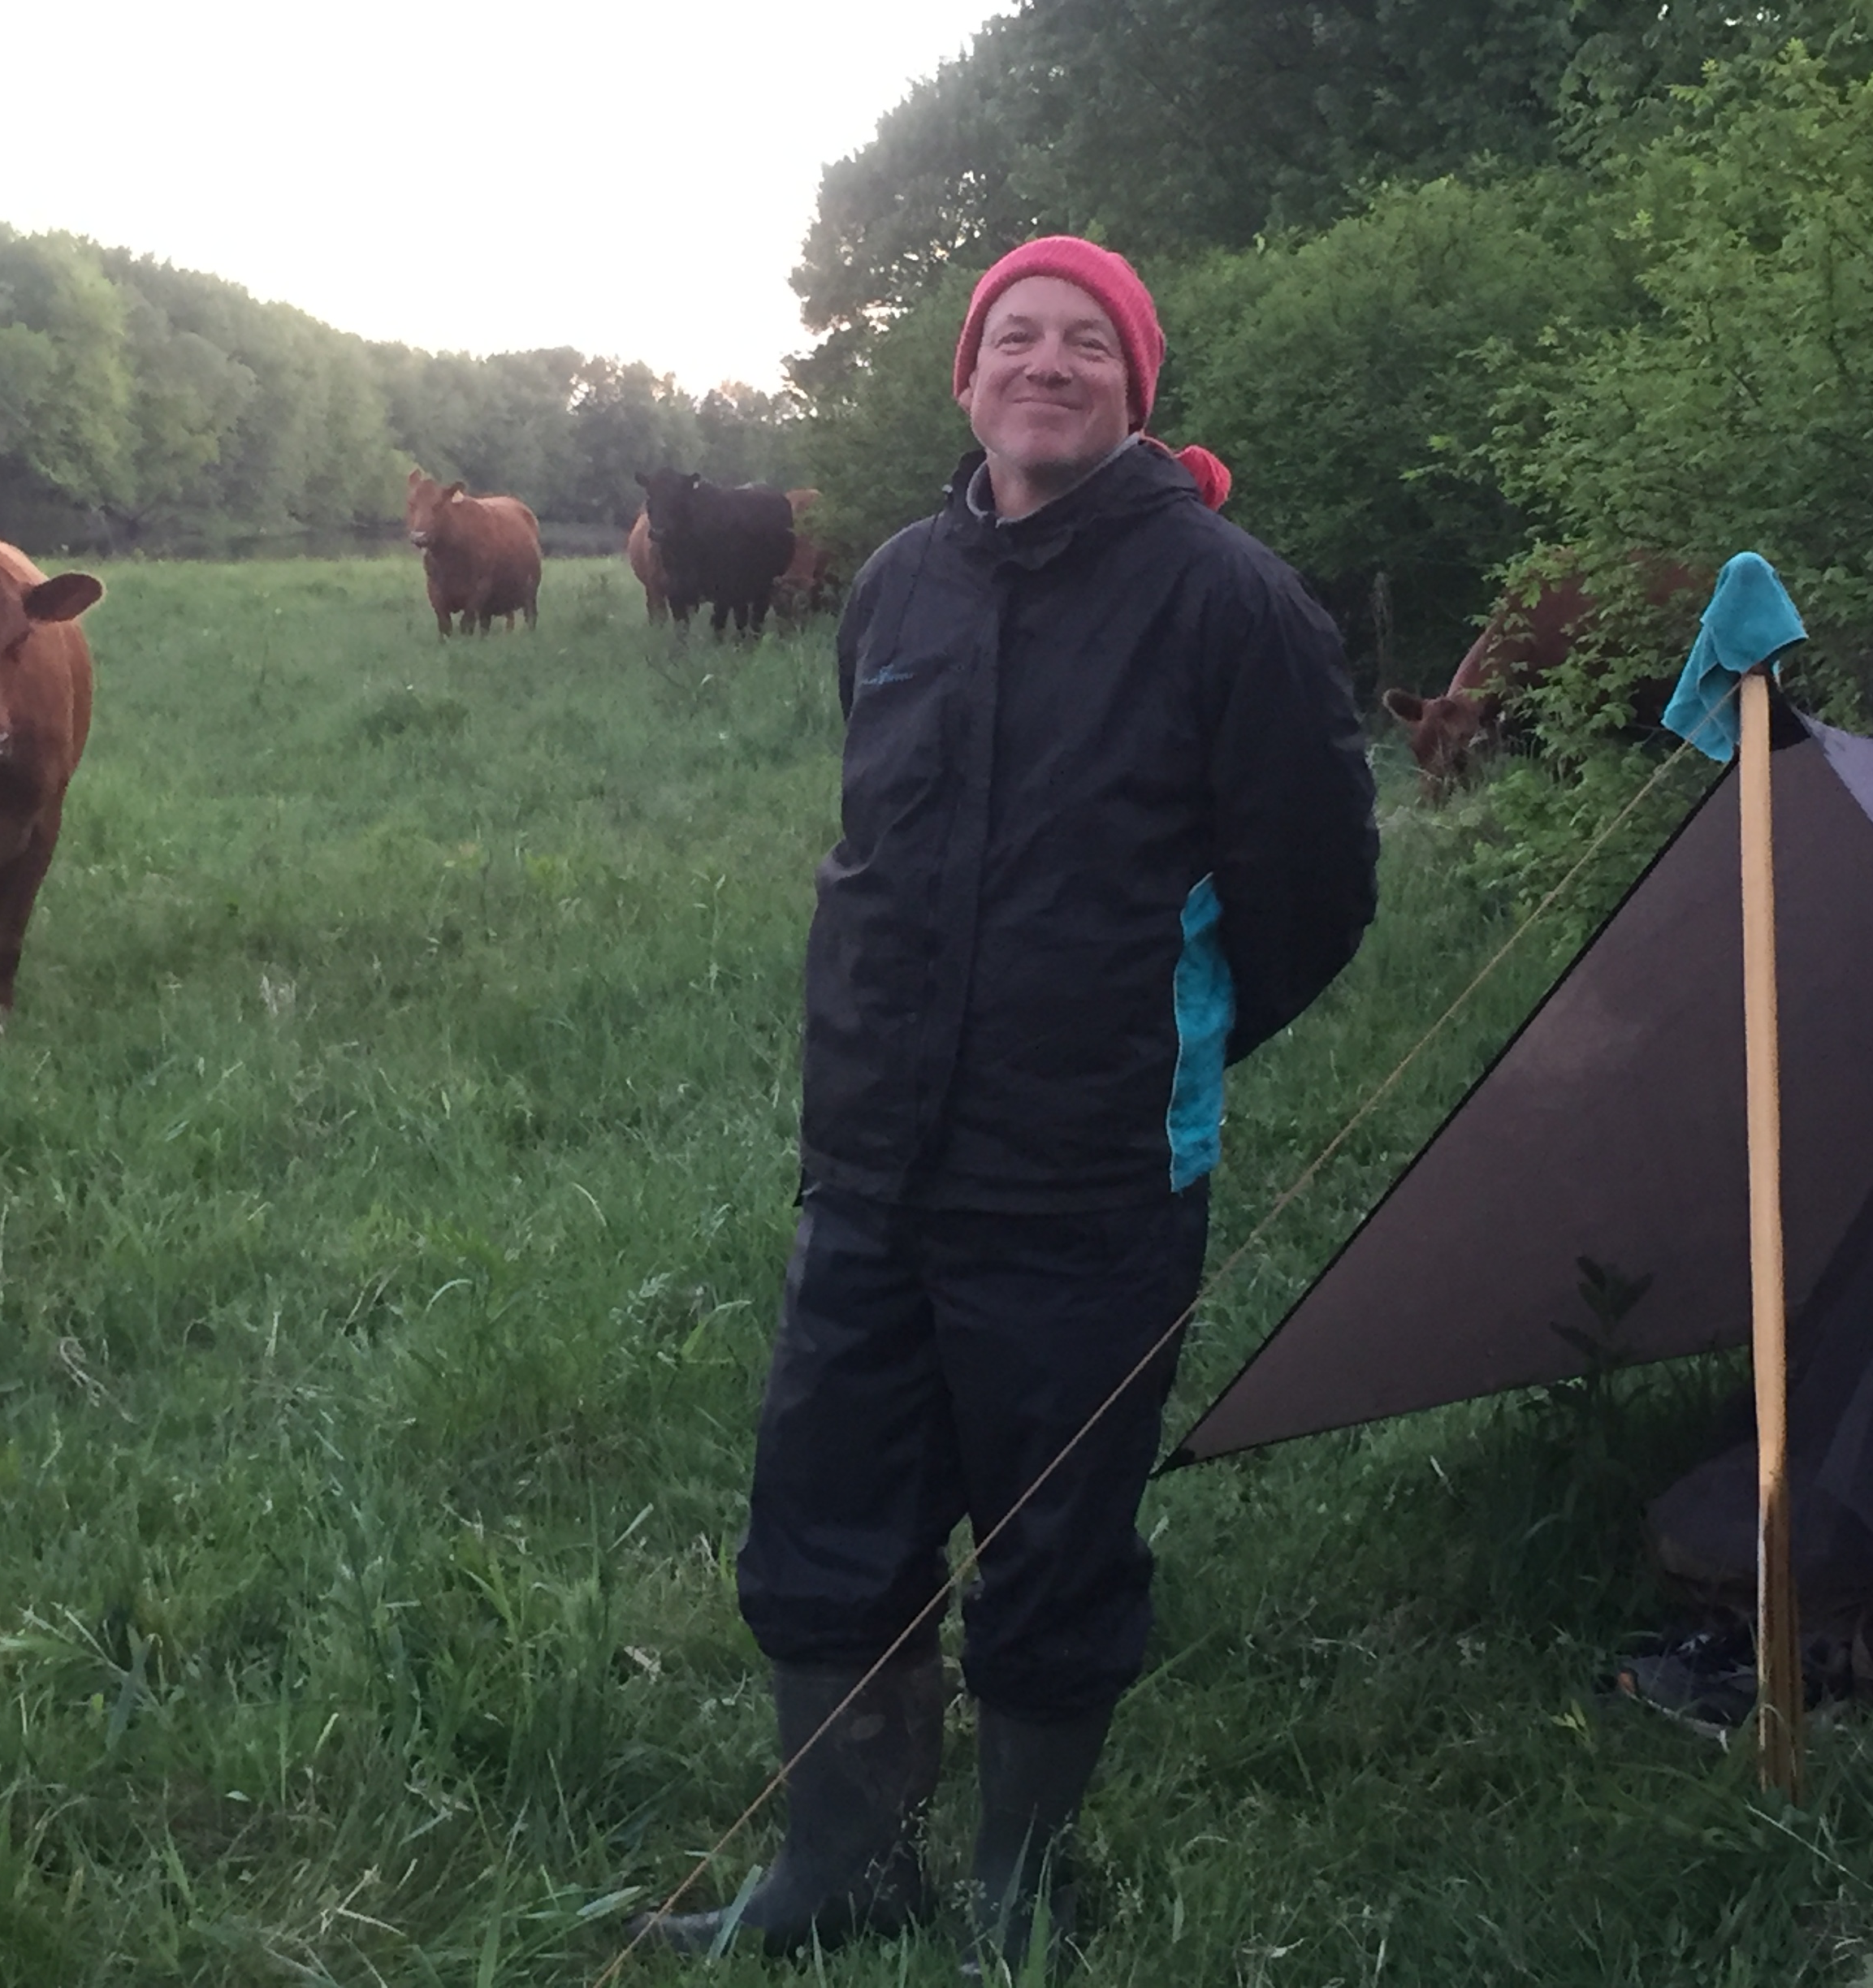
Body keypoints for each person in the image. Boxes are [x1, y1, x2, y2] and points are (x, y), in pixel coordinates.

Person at [633, 236, 1379, 1969]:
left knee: (1055, 1544)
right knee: (827, 1514)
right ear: (967, 379)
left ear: (1135, 388)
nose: (1047, 364)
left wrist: (1158, 1044)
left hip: (1090, 1175)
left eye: (1086, 344)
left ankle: (1012, 1895)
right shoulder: (900, 585)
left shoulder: (1231, 602)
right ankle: (837, 1872)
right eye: (1016, 337)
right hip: (872, 1161)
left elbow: (1317, 892)